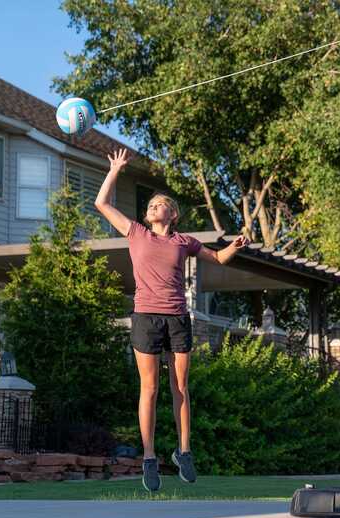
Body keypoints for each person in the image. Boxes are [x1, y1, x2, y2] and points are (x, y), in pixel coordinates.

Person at [94, 148, 250, 492]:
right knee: (149, 389)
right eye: (149, 205)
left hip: (178, 318)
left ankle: (184, 451)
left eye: (159, 203)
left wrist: (236, 245)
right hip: (146, 317)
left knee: (180, 388)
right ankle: (149, 456)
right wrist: (116, 170)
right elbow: (102, 204)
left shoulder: (185, 241)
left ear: (173, 213)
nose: (152, 207)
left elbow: (220, 258)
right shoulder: (136, 233)